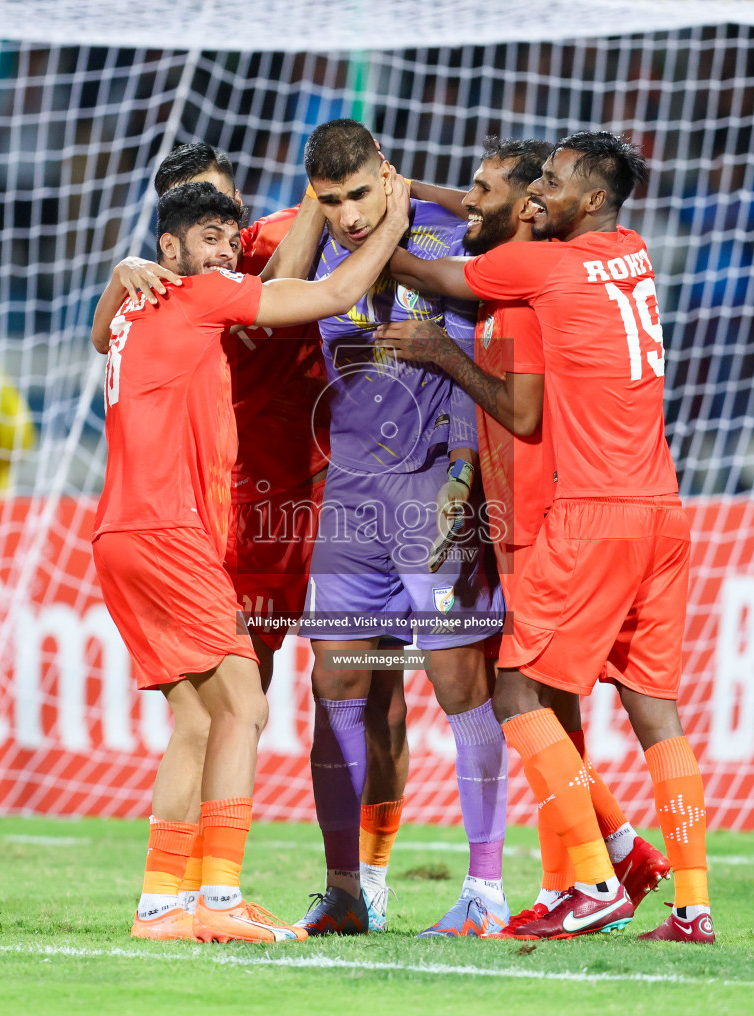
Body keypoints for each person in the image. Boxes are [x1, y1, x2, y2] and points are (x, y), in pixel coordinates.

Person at [378, 132, 715, 942]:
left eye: (548, 186)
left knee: (522, 694)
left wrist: (376, 218)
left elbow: (433, 272)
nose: (532, 199)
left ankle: (591, 882)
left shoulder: (539, 274)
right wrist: (419, 186)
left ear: (587, 199)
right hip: (658, 505)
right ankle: (681, 897)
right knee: (650, 708)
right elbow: (493, 207)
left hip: (580, 512)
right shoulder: (626, 249)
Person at [90, 178, 412, 943]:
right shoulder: (198, 296)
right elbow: (333, 292)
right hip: (171, 531)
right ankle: (224, 897)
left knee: (198, 719)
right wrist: (392, 217)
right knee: (245, 706)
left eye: (231, 238)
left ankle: (164, 903)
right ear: (169, 247)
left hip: (121, 534)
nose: (228, 252)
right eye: (209, 237)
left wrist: (115, 278)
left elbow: (101, 333)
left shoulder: (137, 305)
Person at [291, 119, 508, 939]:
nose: (348, 215)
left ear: (388, 172)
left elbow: (495, 332)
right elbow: (278, 290)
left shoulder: (456, 235)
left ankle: (485, 892)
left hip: (436, 496)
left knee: (459, 687)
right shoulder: (319, 251)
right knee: (337, 686)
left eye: (358, 194)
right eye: (330, 201)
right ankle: (349, 888)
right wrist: (321, 216)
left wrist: (463, 475)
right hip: (350, 503)